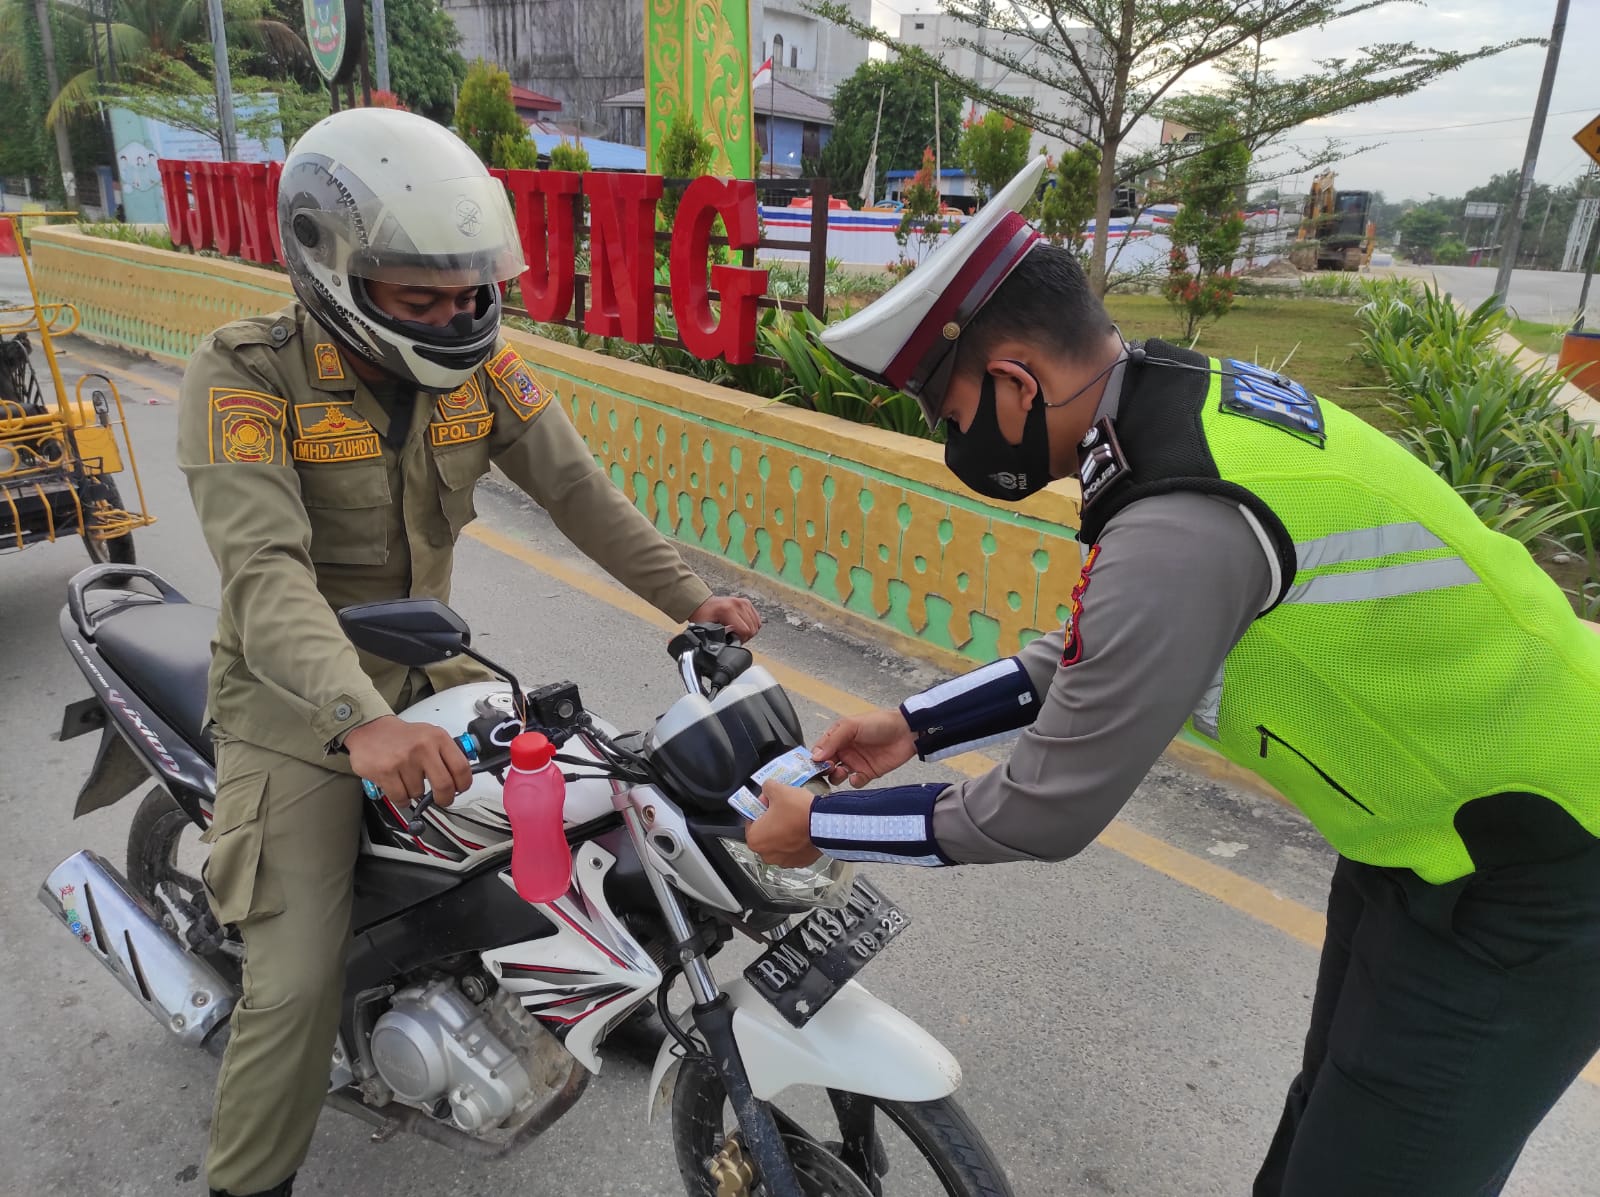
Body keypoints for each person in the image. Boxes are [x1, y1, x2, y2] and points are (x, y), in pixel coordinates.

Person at [747, 156, 1600, 1196]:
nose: (948, 434)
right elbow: (1101, 655)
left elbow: (1038, 813)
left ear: (1014, 381)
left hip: (1538, 859)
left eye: (945, 404)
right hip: (1424, 831)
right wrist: (912, 726)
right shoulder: (1169, 409)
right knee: (1331, 1119)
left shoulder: (1175, 515)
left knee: (1377, 1164)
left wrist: (819, 827)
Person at [178, 108, 759, 1197]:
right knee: (295, 982)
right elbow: (264, 573)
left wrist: (692, 603)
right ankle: (241, 1184)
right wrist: (358, 720)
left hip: (436, 678)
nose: (454, 315)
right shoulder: (244, 379)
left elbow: (580, 492)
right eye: (420, 298)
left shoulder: (483, 371)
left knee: (602, 819)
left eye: (470, 291)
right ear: (330, 266)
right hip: (293, 711)